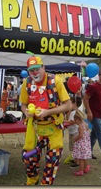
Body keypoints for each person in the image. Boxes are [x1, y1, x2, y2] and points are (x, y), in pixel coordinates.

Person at [19, 56, 72, 185]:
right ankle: (32, 179)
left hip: (53, 127)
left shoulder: (56, 81)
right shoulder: (27, 83)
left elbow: (68, 105)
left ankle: (46, 184)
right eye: (31, 71)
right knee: (28, 157)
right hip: (35, 127)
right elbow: (23, 104)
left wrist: (48, 112)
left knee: (53, 159)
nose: (35, 73)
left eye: (37, 69)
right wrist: (25, 111)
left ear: (43, 68)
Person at [64, 95, 82, 168]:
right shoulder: (73, 112)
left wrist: (63, 121)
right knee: (73, 146)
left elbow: (72, 122)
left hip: (75, 131)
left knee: (75, 147)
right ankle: (75, 159)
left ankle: (77, 161)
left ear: (74, 104)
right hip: (72, 131)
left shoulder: (74, 113)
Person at [72, 110, 92, 176]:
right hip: (85, 144)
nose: (75, 122)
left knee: (81, 158)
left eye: (75, 120)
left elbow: (81, 135)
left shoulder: (80, 126)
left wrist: (75, 139)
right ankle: (86, 167)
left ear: (78, 119)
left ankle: (81, 170)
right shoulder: (85, 124)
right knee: (84, 157)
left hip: (81, 144)